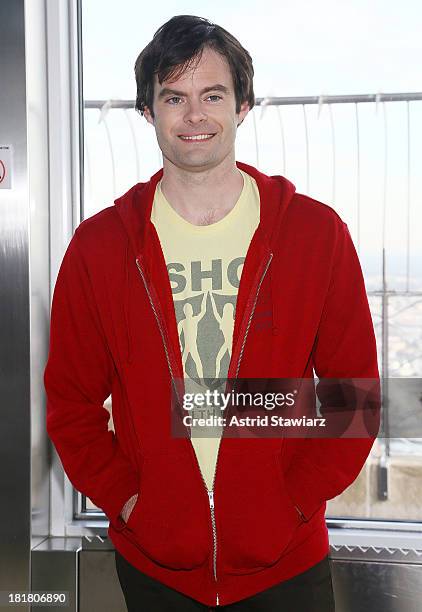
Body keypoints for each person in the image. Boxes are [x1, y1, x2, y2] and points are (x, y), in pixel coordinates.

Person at [44, 14, 380, 612]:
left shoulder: (315, 234)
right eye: (174, 97)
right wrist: (129, 502)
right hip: (155, 566)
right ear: (149, 112)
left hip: (287, 562)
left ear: (244, 105)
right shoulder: (99, 247)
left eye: (212, 95)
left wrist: (292, 503)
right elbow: (71, 405)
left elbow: (352, 398)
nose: (194, 116)